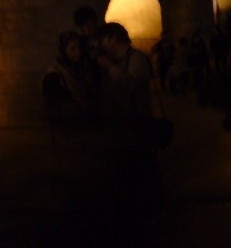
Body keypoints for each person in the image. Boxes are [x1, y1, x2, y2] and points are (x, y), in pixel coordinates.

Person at [95, 22, 163, 227]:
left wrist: (110, 68)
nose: (102, 45)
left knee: (145, 168)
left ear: (114, 39)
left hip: (138, 123)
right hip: (121, 126)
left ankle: (152, 211)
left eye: (104, 40)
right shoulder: (116, 61)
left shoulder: (137, 59)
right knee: (127, 171)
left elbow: (130, 85)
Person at [42, 31, 95, 132]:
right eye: (72, 49)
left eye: (79, 48)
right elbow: (56, 105)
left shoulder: (79, 69)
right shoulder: (54, 75)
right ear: (63, 51)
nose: (78, 52)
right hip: (67, 125)